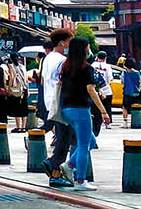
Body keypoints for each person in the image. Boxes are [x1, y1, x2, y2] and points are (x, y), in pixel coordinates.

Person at [51, 37, 105, 191]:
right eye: (87, 48)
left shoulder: (66, 67)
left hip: (67, 110)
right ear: (83, 50)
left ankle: (69, 165)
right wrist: (103, 111)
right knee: (83, 145)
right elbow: (90, 89)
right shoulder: (86, 68)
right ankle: (80, 179)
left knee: (90, 142)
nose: (89, 51)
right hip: (81, 109)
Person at [40, 28, 74, 176]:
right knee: (64, 138)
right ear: (62, 42)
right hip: (60, 101)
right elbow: (64, 81)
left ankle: (56, 168)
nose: (69, 45)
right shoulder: (61, 60)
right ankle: (54, 168)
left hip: (50, 100)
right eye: (68, 41)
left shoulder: (48, 58)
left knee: (63, 136)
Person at [5, 52, 30, 132]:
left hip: (16, 90)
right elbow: (26, 79)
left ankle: (18, 127)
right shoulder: (23, 67)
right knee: (24, 108)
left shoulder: (11, 67)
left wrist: (9, 88)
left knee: (16, 108)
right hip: (24, 89)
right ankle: (23, 127)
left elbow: (12, 78)